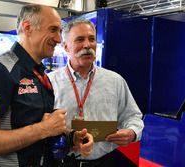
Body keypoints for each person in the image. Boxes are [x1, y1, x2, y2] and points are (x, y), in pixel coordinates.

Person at [0, 5, 93, 167]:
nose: (59, 39)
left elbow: (38, 126)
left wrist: (71, 137)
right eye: (53, 30)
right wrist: (44, 129)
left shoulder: (39, 73)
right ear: (28, 28)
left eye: (60, 31)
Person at [48, 18, 144, 166]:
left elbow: (133, 115)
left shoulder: (115, 81)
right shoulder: (50, 82)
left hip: (107, 160)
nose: (87, 45)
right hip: (62, 161)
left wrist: (132, 132)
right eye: (80, 39)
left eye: (91, 39)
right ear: (66, 47)